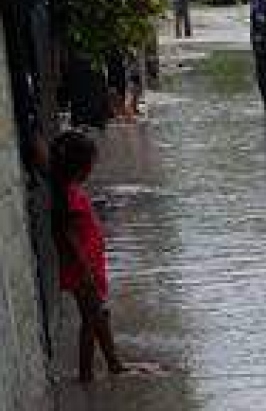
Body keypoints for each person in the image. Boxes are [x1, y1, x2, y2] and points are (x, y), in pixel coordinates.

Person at [49, 130, 145, 382]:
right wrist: (86, 271)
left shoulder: (69, 190)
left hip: (89, 266)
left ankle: (114, 364)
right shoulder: (69, 195)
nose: (93, 167)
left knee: (99, 314)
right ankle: (86, 376)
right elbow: (69, 237)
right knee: (91, 319)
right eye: (91, 162)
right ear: (80, 166)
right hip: (84, 269)